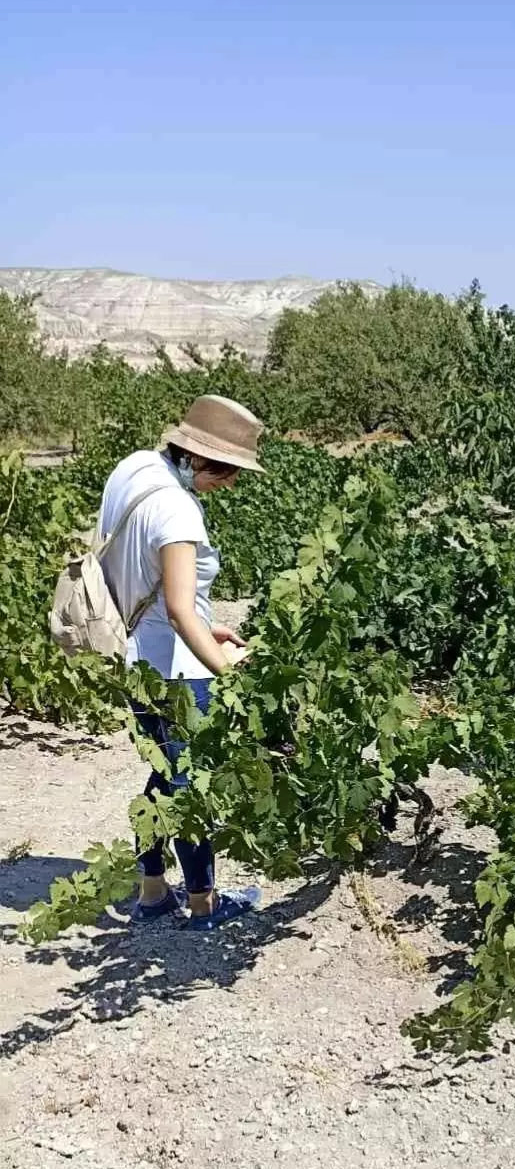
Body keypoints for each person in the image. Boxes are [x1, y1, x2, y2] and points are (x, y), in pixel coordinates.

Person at [97, 394, 266, 929]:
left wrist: (203, 619)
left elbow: (146, 576)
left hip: (136, 660)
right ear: (198, 457)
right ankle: (203, 904)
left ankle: (151, 893)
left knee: (165, 775)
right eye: (229, 470)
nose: (232, 483)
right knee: (192, 785)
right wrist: (228, 670)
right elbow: (176, 609)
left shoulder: (133, 470)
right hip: (177, 674)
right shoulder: (178, 508)